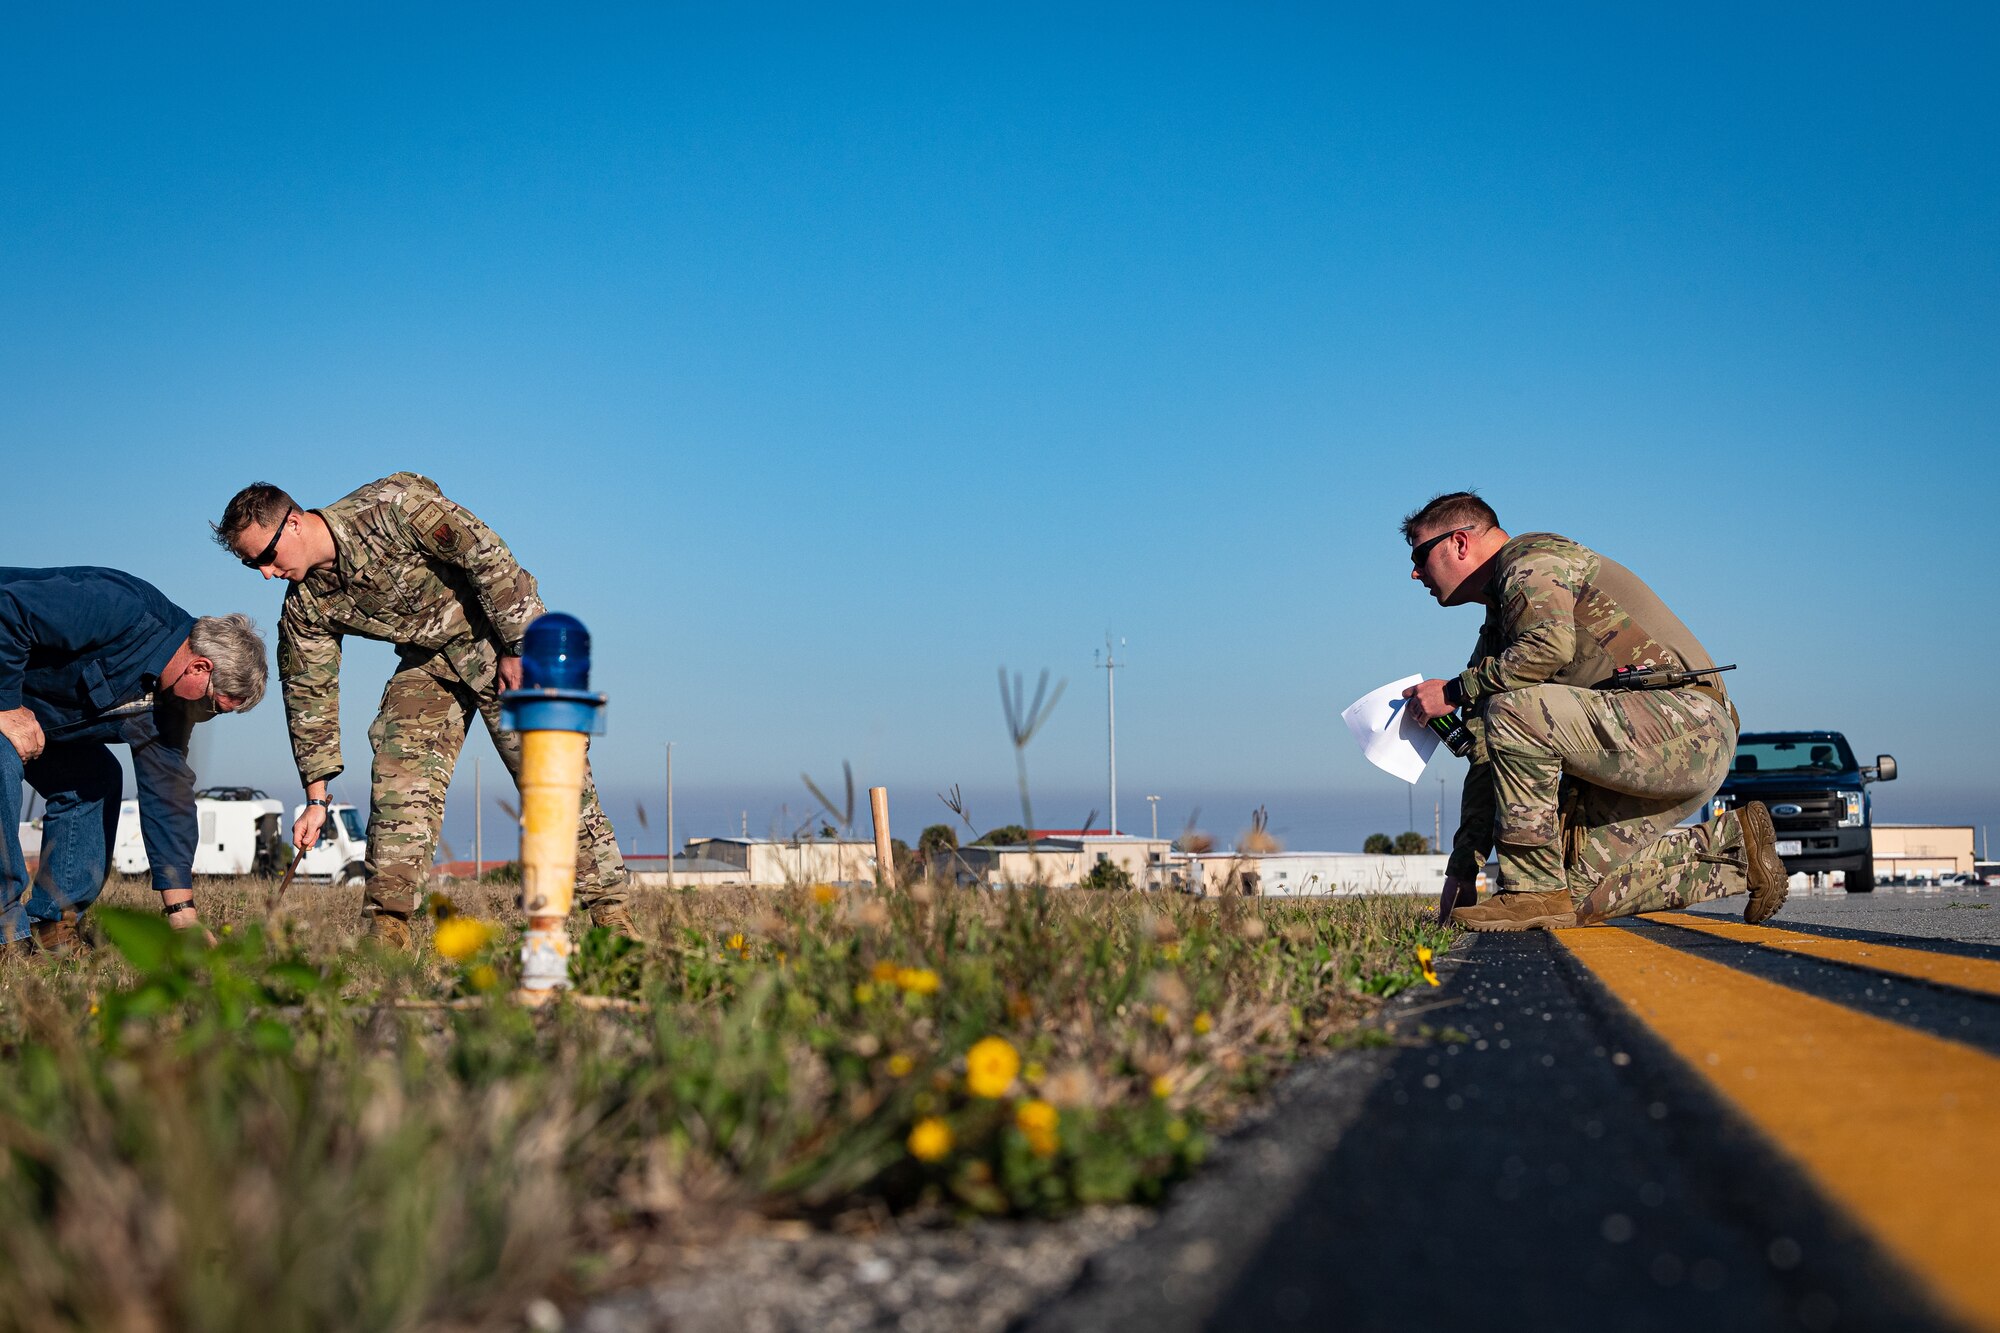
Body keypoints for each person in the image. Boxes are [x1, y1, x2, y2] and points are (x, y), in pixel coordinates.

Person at [211, 474, 632, 950]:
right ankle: (387, 929)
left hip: (501, 641)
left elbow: (488, 556)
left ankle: (612, 918)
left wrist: (520, 647)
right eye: (254, 568)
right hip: (431, 664)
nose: (267, 573)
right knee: (397, 774)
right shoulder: (305, 606)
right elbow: (310, 694)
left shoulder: (394, 509)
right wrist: (316, 796)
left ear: (291, 524)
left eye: (266, 557)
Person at [1396, 492, 1788, 931]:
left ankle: (1532, 892)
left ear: (1460, 543)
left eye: (1420, 555)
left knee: (1514, 709)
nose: (1415, 572)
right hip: (1640, 746)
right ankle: (1740, 851)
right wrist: (1462, 870)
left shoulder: (1530, 558)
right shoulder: (1500, 627)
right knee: (1570, 894)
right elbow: (1489, 752)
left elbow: (1549, 647)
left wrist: (1454, 690)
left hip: (1687, 726)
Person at [1, 567, 267, 957]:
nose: (207, 718)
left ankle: (54, 926)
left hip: (32, 717)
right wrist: (6, 706)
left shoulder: (173, 707)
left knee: (96, 778)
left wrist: (182, 915)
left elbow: (169, 800)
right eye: (214, 707)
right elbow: (9, 609)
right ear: (200, 668)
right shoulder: (122, 609)